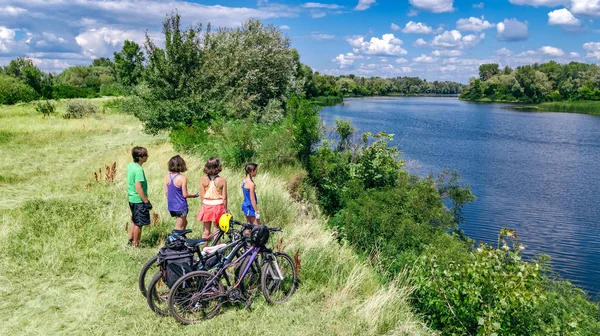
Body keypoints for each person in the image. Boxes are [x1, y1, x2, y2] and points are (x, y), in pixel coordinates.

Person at [164, 155, 199, 230]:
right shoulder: (182, 178)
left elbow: (166, 192)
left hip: (171, 206)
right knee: (179, 227)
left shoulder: (167, 176)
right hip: (181, 206)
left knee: (184, 222)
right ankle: (175, 240)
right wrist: (194, 195)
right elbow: (185, 194)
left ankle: (182, 238)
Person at [197, 157, 228, 239]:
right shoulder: (222, 180)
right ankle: (216, 249)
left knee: (206, 230)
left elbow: (202, 196)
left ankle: (204, 249)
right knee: (216, 230)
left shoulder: (203, 179)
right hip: (218, 205)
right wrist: (225, 209)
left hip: (206, 205)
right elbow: (224, 197)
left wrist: (203, 206)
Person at [126, 146, 151, 247]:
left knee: (135, 220)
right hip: (138, 200)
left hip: (132, 198)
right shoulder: (139, 170)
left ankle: (130, 240)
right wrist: (146, 201)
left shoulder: (131, 165)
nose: (147, 157)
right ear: (140, 157)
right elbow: (138, 187)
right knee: (139, 224)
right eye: (145, 155)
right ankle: (136, 244)